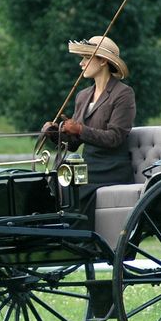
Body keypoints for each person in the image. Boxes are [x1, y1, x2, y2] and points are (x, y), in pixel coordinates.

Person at [41, 35, 136, 229]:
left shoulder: (123, 94)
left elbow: (115, 137)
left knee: (72, 185)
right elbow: (74, 143)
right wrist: (55, 133)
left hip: (112, 168)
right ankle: (55, 230)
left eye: (86, 58)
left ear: (102, 61)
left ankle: (79, 236)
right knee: (51, 181)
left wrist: (80, 129)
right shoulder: (83, 96)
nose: (81, 63)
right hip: (88, 166)